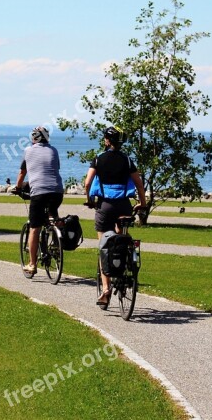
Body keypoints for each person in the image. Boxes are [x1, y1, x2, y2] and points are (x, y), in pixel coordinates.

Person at [84, 126, 147, 306]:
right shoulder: (127, 160)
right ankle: (125, 266)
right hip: (124, 206)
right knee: (121, 238)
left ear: (107, 140)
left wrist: (89, 200)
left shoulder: (98, 159)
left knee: (104, 245)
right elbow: (139, 185)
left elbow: (88, 182)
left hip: (105, 206)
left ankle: (106, 290)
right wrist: (142, 203)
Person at [15, 126, 64, 275]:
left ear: (34, 138)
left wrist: (17, 188)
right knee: (52, 214)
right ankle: (56, 236)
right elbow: (55, 168)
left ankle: (32, 264)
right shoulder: (53, 150)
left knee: (34, 228)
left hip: (39, 193)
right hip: (57, 191)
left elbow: (23, 172)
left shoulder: (28, 151)